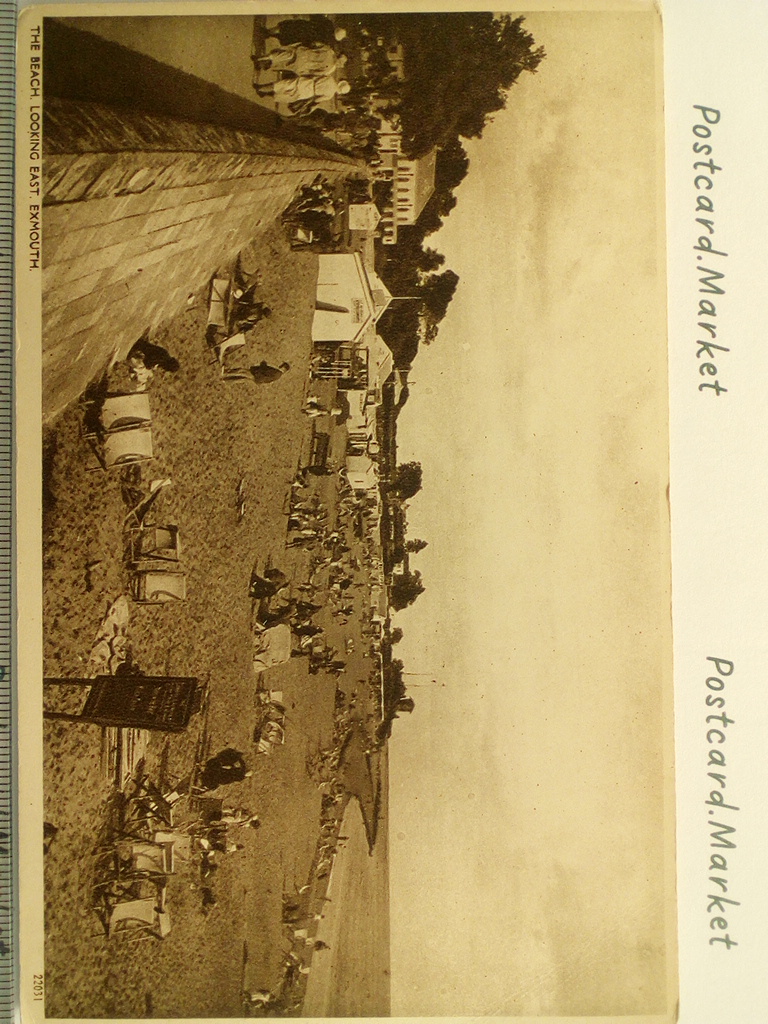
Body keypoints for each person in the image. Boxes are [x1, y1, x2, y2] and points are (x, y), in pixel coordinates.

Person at [256, 43, 347, 80]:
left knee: (283, 54)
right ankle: (266, 65)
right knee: (284, 66)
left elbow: (315, 44)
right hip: (302, 66)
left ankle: (263, 58)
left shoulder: (329, 51)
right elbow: (316, 74)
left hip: (302, 53)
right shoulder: (330, 69)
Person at [223, 360, 290, 384]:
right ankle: (227, 381)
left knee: (241, 371)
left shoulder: (276, 372)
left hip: (257, 375)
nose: (280, 365)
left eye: (282, 365)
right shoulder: (278, 376)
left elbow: (265, 370)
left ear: (284, 368)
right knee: (243, 379)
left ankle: (226, 373)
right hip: (259, 380)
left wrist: (263, 364)